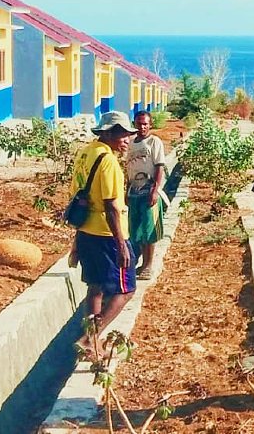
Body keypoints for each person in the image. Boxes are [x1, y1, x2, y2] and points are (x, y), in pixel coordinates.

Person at [72, 111, 137, 357]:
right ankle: (89, 339)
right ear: (108, 133)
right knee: (126, 290)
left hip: (87, 231)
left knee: (96, 287)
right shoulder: (108, 162)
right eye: (122, 135)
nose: (127, 140)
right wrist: (121, 245)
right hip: (107, 235)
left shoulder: (86, 153)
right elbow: (111, 206)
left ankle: (93, 345)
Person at [126, 111, 167, 281]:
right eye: (139, 123)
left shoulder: (154, 142)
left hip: (148, 188)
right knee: (136, 229)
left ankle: (148, 265)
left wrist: (155, 190)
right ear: (134, 123)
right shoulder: (130, 143)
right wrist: (126, 190)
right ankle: (141, 262)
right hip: (134, 190)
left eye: (145, 124)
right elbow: (127, 168)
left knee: (149, 229)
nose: (142, 127)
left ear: (150, 124)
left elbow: (159, 168)